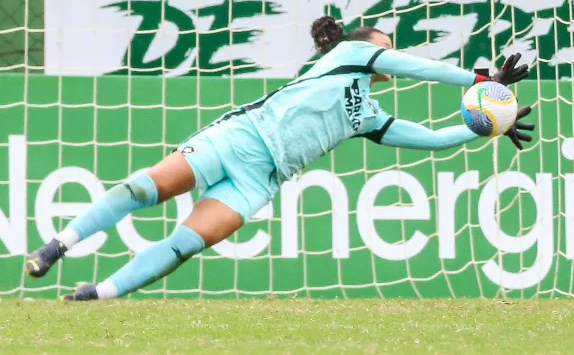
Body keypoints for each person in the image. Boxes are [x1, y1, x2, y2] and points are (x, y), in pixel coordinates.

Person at [25, 16, 536, 301]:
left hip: (261, 180)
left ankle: (97, 296)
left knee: (183, 246)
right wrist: (480, 80)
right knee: (141, 190)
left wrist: (483, 127)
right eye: (385, 43)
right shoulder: (346, 57)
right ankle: (56, 246)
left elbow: (427, 138)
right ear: (365, 48)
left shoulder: (365, 115)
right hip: (240, 137)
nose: (390, 50)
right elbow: (419, 68)